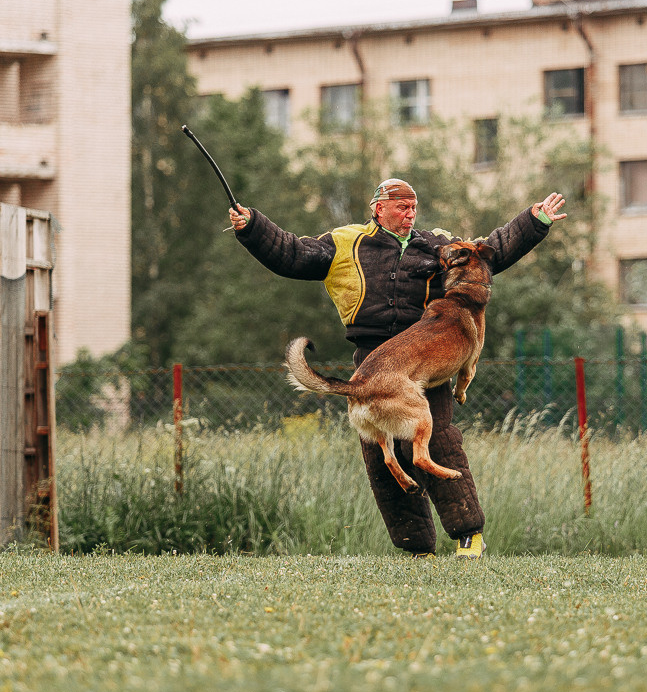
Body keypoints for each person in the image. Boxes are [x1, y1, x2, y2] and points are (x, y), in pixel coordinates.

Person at [229, 178, 566, 559]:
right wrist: (252, 226)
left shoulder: (436, 244)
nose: (410, 214)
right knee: (381, 459)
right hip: (373, 360)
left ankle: (468, 535)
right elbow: (292, 254)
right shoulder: (345, 242)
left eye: (413, 207)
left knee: (439, 441)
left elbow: (490, 251)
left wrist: (535, 220)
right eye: (402, 207)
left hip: (429, 352)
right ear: (379, 209)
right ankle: (417, 548)